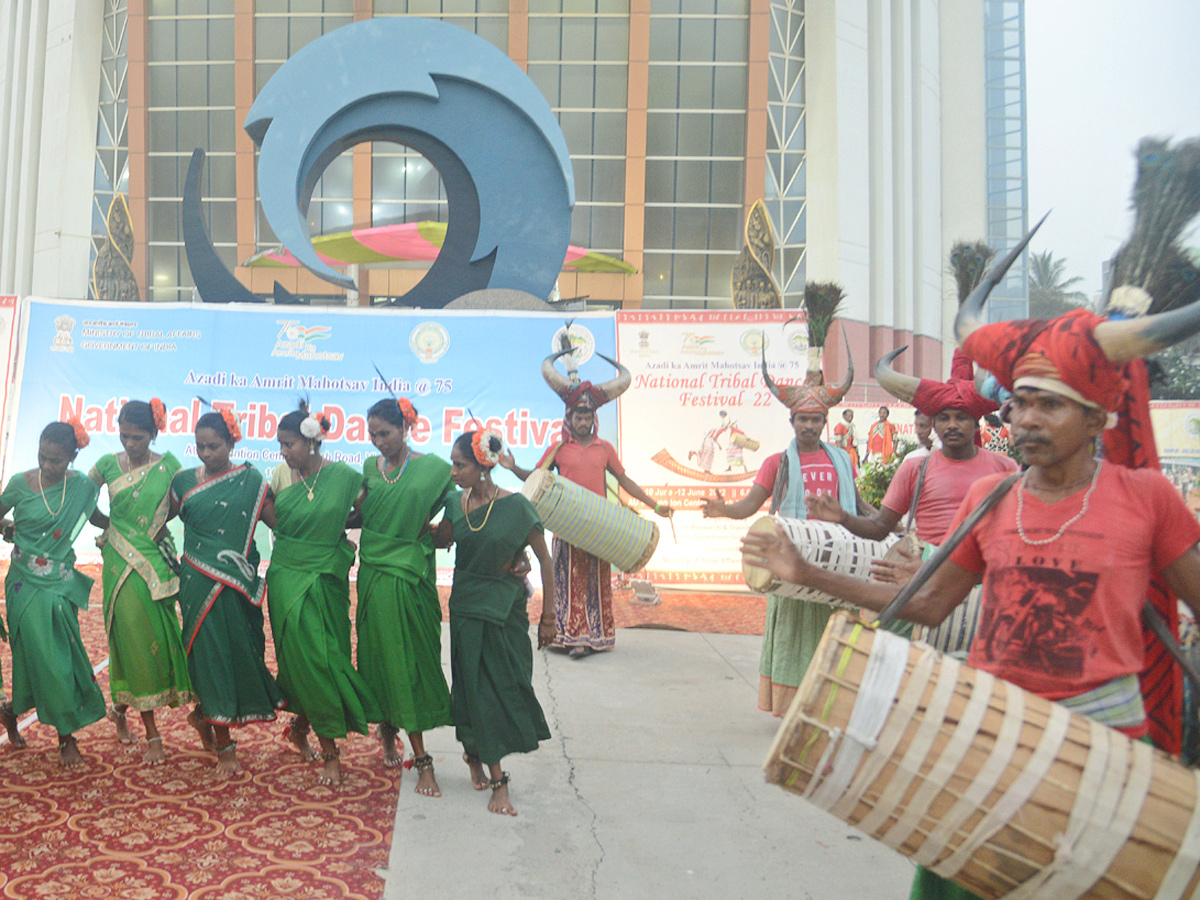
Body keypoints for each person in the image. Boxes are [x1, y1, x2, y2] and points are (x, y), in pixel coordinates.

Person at [742, 264, 1200, 900]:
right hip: (990, 740)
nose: (1029, 420)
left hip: (1105, 755)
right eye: (1022, 404)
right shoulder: (992, 496)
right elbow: (927, 603)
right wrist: (806, 571)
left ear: (1098, 419)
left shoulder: (1148, 499)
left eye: (1052, 405)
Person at [809, 349, 1018, 654]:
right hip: (916, 577)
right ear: (933, 425)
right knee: (898, 666)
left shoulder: (1005, 468)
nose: (952, 425)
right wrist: (843, 517)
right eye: (943, 418)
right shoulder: (914, 468)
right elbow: (881, 527)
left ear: (976, 424)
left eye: (961, 417)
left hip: (982, 584)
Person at [701, 340, 870, 715]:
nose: (809, 426)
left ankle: (830, 704)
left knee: (836, 634)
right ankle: (795, 709)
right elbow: (750, 505)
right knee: (795, 637)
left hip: (836, 562)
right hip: (793, 564)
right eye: (802, 419)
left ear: (825, 423)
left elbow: (857, 505)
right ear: (791, 422)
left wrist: (889, 520)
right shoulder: (777, 462)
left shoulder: (842, 459)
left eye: (815, 420)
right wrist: (723, 509)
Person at [500, 345, 671, 659]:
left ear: (594, 418)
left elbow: (625, 482)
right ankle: (565, 635)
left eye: (588, 415)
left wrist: (655, 505)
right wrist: (512, 467)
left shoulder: (604, 448)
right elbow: (537, 478)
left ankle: (593, 638)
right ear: (570, 417)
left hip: (602, 526)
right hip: (566, 525)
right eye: (578, 415)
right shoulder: (558, 449)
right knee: (565, 581)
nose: (583, 419)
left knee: (594, 581)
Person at [263, 402, 381, 785]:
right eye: (280, 444)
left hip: (326, 576)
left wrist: (339, 524)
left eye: (289, 444)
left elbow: (364, 511)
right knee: (303, 660)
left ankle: (303, 726)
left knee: (326, 658)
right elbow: (274, 520)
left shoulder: (345, 477)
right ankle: (330, 749)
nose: (283, 452)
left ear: (311, 442)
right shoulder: (280, 477)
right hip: (286, 576)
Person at [170, 409, 285, 777]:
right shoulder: (184, 481)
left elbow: (280, 524)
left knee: (239, 652)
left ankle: (205, 715)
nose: (206, 453)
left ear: (232, 442)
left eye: (214, 446)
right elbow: (156, 524)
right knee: (209, 657)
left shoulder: (250, 482)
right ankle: (225, 747)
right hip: (197, 583)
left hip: (237, 583)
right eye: (200, 446)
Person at [447, 429, 555, 816]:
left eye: (460, 465)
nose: (454, 472)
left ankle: (475, 753)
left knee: (507, 686)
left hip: (504, 612)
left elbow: (544, 560)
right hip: (465, 610)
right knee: (474, 691)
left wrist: (549, 617)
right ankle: (498, 780)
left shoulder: (517, 509)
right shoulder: (454, 503)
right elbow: (437, 539)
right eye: (453, 464)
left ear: (482, 467)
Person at [355, 397, 453, 794]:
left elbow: (458, 512)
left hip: (410, 575)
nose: (379, 442)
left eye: (386, 433)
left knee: (412, 661)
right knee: (381, 656)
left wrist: (433, 536)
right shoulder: (368, 468)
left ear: (405, 428)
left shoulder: (433, 470)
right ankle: (399, 739)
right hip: (375, 573)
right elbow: (361, 513)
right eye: (373, 434)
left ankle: (412, 742)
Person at [88, 398, 194, 765]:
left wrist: (158, 525)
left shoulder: (169, 467)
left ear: (154, 434)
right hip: (119, 562)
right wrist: (110, 528)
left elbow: (182, 500)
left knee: (161, 641)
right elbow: (82, 501)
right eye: (123, 435)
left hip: (156, 561)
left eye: (137, 437)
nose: (129, 443)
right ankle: (153, 735)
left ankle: (120, 706)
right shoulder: (104, 465)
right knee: (132, 637)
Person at [0, 420, 106, 768]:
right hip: (23, 584)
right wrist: (7, 528)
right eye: (42, 457)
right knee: (47, 659)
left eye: (56, 460)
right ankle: (65, 737)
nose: (47, 465)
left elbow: (98, 519)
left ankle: (20, 714)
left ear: (73, 457)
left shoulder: (81, 488)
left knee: (55, 659)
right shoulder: (19, 484)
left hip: (60, 585)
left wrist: (132, 522)